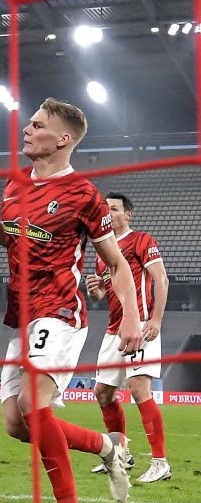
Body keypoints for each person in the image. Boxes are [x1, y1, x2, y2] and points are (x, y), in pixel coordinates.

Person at [0, 98, 141, 503]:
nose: (26, 130)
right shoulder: (15, 186)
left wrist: (128, 316)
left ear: (63, 138)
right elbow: (10, 233)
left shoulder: (83, 194)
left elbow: (117, 263)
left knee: (35, 404)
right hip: (22, 315)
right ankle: (106, 447)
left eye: (37, 125)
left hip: (61, 308)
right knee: (17, 423)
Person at [87, 192, 170, 483]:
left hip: (142, 324)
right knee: (102, 392)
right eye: (105, 210)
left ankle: (160, 462)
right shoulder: (103, 253)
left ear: (128, 214)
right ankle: (120, 453)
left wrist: (156, 319)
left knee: (138, 389)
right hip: (114, 330)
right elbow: (104, 294)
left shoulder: (142, 240)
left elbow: (161, 278)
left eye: (114, 209)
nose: (108, 213)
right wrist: (96, 290)